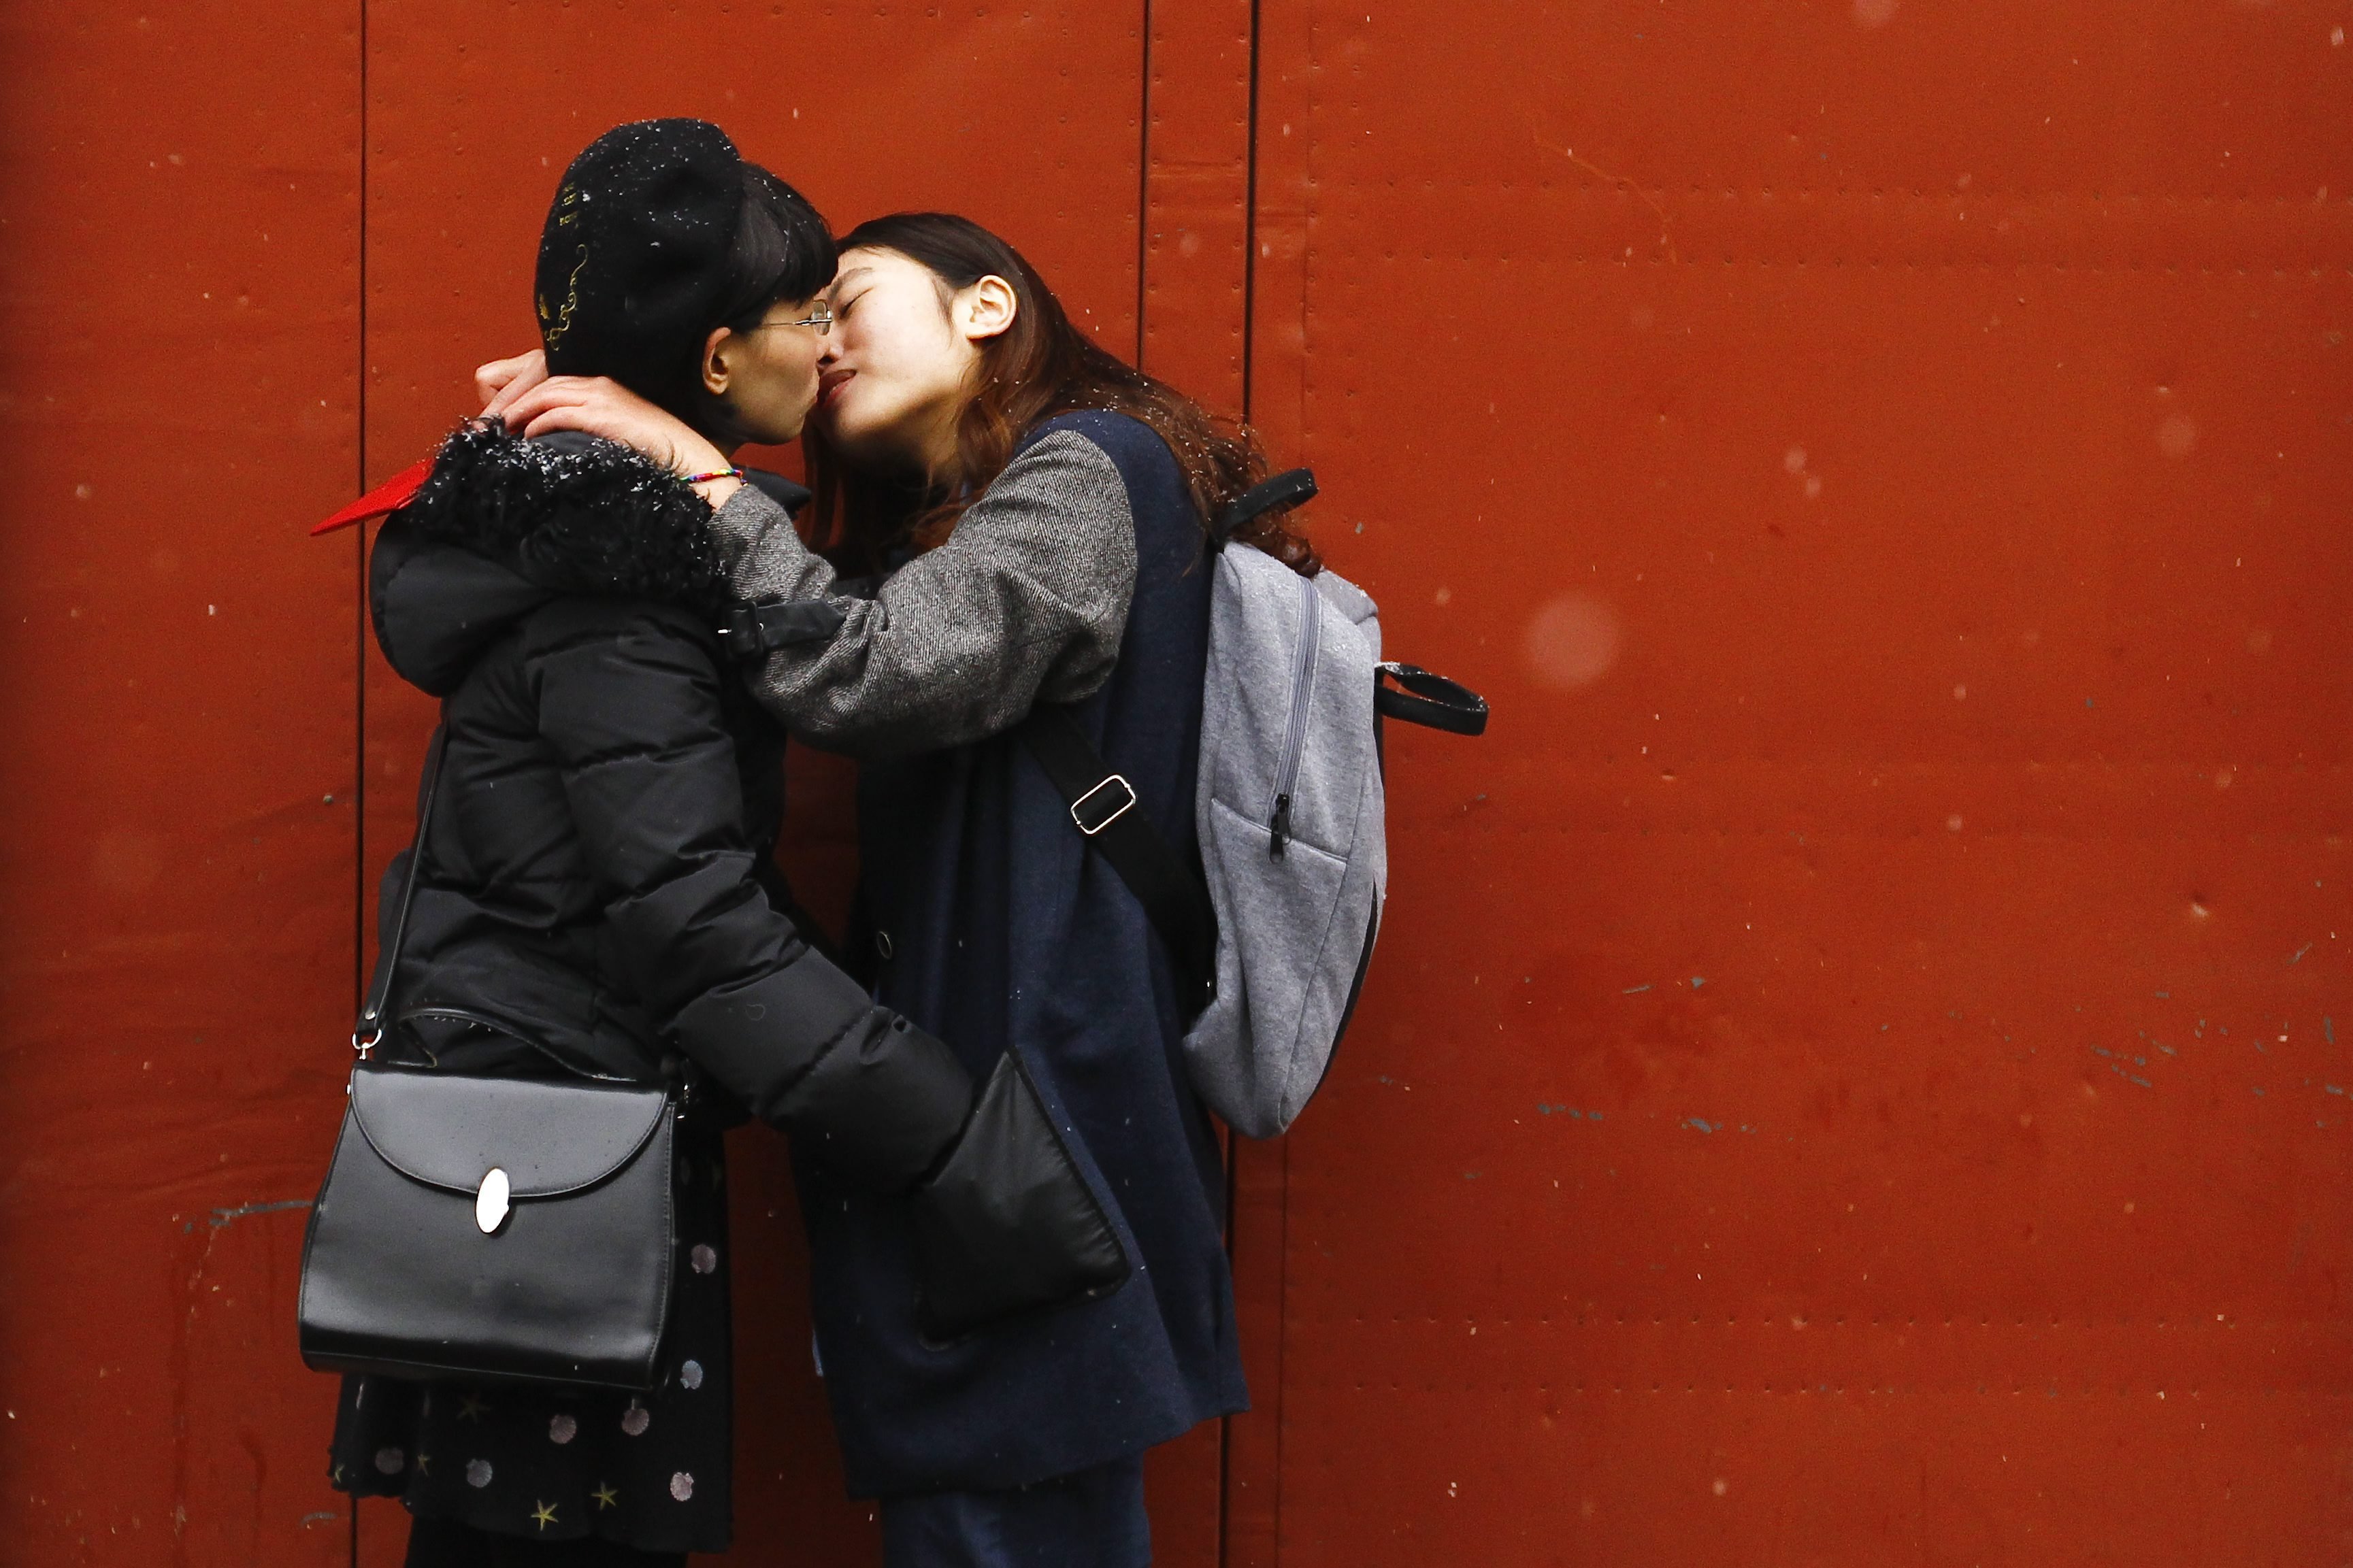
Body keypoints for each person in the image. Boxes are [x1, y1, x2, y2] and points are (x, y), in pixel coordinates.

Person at [490, 212, 1319, 1568]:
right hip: (1013, 1118)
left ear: (984, 307)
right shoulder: (965, 522)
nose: (820, 344)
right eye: (801, 320)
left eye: (846, 302)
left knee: (1010, 1515)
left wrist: (699, 479)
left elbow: (874, 673)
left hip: (1045, 1115)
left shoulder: (1091, 466)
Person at [331, 128, 1098, 1567]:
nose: (831, 345)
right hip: (553, 1164)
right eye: (811, 315)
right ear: (724, 357)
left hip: (544, 1140)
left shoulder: (595, 537)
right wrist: (952, 1143)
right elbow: (695, 922)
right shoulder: (619, 585)